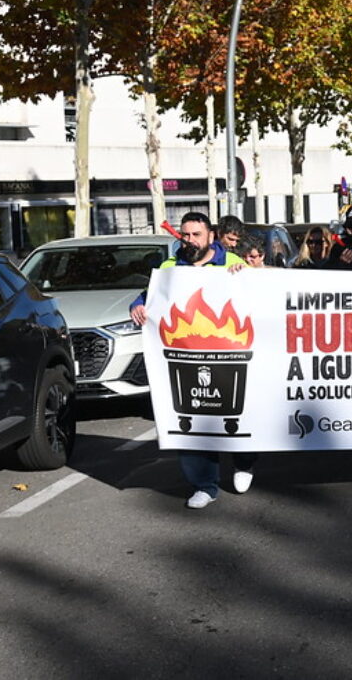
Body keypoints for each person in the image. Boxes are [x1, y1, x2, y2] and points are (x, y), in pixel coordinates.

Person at [128, 212, 255, 509]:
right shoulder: (170, 267)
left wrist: (248, 274)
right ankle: (204, 485)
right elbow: (148, 297)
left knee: (239, 413)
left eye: (196, 234)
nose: (190, 240)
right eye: (185, 235)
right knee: (192, 418)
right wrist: (137, 306)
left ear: (211, 235)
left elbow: (258, 295)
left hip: (232, 353)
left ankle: (244, 462)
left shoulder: (232, 263)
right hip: (188, 357)